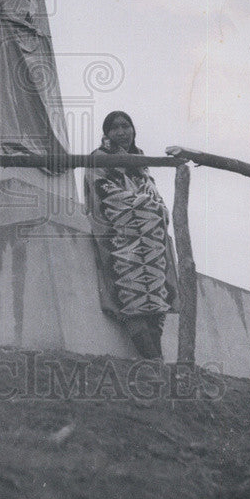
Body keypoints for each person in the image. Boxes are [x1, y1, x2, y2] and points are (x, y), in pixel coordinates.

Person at [84, 111, 178, 360]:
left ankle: (157, 361)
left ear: (133, 130)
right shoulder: (99, 158)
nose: (121, 132)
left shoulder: (139, 160)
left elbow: (153, 193)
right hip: (121, 234)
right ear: (107, 133)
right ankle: (153, 360)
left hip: (151, 239)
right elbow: (102, 190)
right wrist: (139, 206)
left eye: (126, 126)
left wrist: (155, 207)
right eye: (115, 128)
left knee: (155, 299)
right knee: (131, 294)